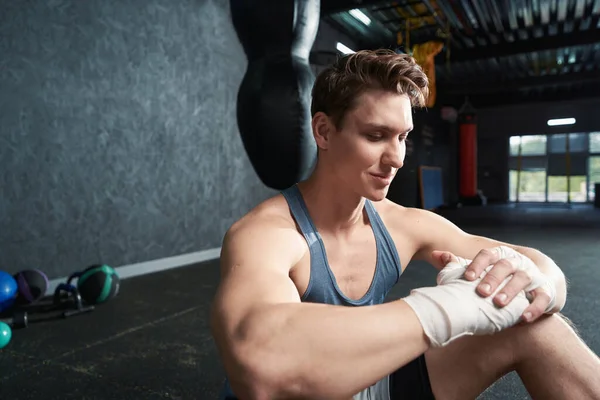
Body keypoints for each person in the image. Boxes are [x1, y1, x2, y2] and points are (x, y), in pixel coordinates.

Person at [210, 49, 600, 400]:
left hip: (370, 381)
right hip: (302, 389)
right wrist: (447, 310)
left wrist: (540, 282)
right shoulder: (269, 233)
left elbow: (536, 262)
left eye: (403, 137)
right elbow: (259, 363)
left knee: (533, 327)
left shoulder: (402, 224)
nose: (396, 158)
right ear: (324, 131)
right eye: (376, 136)